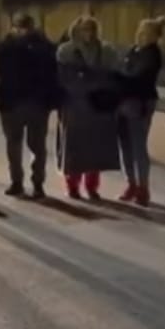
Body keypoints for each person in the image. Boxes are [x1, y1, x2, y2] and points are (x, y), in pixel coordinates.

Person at [0, 13, 59, 199]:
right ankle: (23, 182)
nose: (23, 31)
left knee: (30, 145)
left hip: (28, 102)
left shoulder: (36, 46)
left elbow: (53, 75)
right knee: (23, 145)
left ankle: (30, 183)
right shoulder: (41, 46)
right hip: (22, 103)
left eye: (24, 27)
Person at [56, 15, 121, 200]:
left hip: (98, 107)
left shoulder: (107, 51)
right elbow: (65, 79)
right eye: (84, 29)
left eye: (91, 29)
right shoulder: (66, 51)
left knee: (95, 149)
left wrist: (94, 82)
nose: (88, 33)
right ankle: (72, 186)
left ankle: (92, 187)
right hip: (74, 105)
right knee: (74, 149)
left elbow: (112, 77)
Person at [116, 17, 165, 206]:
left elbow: (137, 76)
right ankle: (130, 183)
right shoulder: (133, 50)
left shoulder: (152, 54)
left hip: (140, 103)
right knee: (125, 145)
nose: (143, 35)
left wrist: (119, 77)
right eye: (142, 31)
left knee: (138, 145)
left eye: (148, 33)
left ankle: (143, 187)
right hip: (123, 102)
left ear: (155, 36)